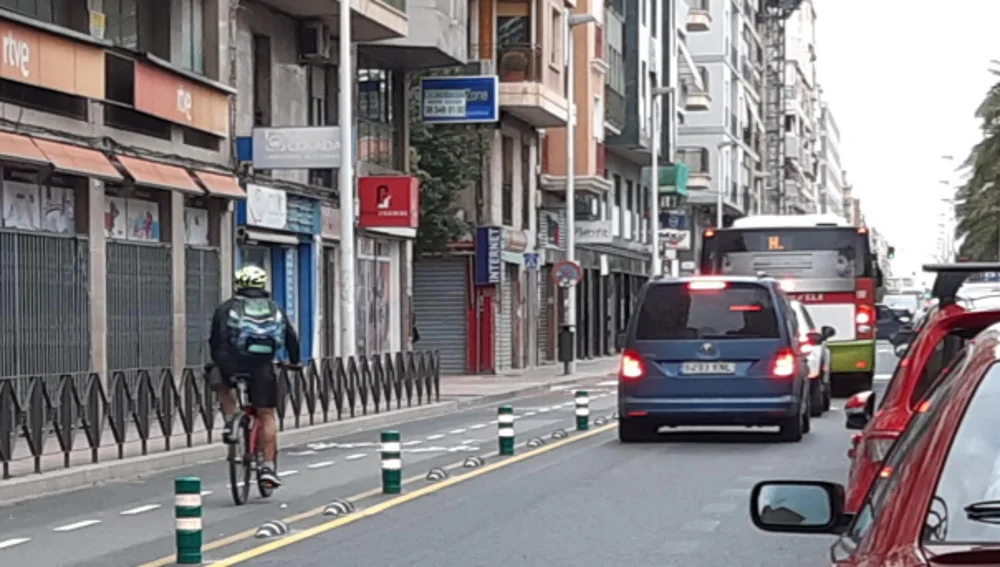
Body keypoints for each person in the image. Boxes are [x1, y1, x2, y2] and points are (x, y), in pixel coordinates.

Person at [208, 265, 301, 488]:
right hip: (262, 366)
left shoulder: (226, 308)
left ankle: (231, 421)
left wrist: (220, 363)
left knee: (220, 384)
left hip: (231, 364)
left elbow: (215, 339)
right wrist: (295, 361)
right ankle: (268, 466)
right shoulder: (274, 309)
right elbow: (291, 337)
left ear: (238, 284)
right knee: (267, 414)